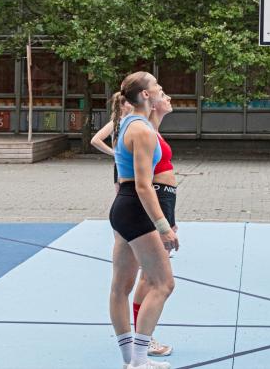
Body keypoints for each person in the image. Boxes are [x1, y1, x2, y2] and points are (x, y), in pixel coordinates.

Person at [108, 72, 177, 369]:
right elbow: (143, 185)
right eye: (158, 87)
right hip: (135, 208)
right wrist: (164, 227)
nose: (162, 91)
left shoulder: (129, 123)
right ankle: (138, 360)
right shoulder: (143, 131)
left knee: (120, 287)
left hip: (123, 208)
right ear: (146, 95)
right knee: (163, 284)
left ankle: (129, 360)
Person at [130, 89, 177, 358]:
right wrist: (162, 222)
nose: (168, 97)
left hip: (164, 202)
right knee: (156, 279)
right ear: (151, 102)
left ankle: (141, 336)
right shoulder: (145, 130)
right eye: (163, 94)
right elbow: (144, 182)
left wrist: (171, 218)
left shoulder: (153, 130)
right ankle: (142, 340)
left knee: (148, 276)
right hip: (157, 202)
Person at [91, 93, 134, 192]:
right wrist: (114, 152)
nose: (132, 104)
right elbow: (95, 140)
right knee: (123, 196)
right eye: (129, 102)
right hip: (121, 165)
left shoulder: (135, 121)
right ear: (121, 106)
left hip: (135, 163)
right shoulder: (115, 123)